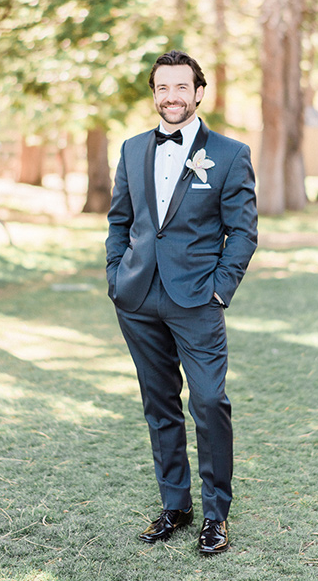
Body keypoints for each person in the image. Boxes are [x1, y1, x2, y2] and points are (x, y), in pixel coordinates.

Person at [105, 50, 258, 554]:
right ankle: (176, 505)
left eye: (180, 88)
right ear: (154, 94)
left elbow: (243, 231)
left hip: (197, 299)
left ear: (198, 92)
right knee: (159, 404)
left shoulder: (231, 154)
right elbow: (119, 221)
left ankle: (216, 515)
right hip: (138, 296)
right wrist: (115, 277)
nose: (170, 97)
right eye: (161, 88)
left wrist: (219, 288)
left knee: (210, 402)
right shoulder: (130, 150)